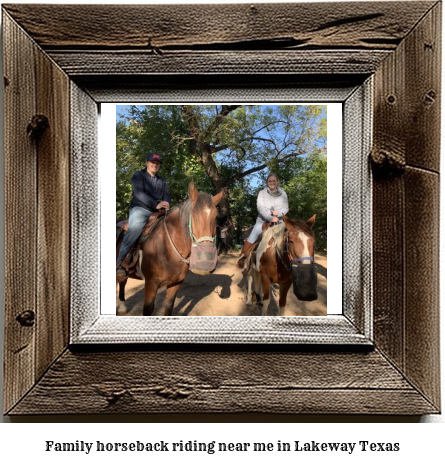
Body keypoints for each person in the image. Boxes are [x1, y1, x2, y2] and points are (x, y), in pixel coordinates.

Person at [116, 152, 171, 280]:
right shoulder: (138, 175)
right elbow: (139, 193)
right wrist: (156, 204)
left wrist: (167, 203)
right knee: (134, 229)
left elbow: (166, 195)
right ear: (147, 163)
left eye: (157, 164)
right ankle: (120, 263)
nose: (154, 165)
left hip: (158, 212)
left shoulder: (162, 181)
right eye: (152, 162)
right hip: (141, 209)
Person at [236, 173, 289, 269]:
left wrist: (277, 215)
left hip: (280, 221)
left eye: (274, 181)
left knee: (291, 237)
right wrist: (270, 218)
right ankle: (243, 257)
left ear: (277, 181)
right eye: (270, 181)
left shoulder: (283, 193)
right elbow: (260, 207)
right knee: (253, 236)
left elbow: (286, 208)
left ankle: (292, 259)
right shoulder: (262, 193)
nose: (272, 182)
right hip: (263, 221)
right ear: (267, 182)